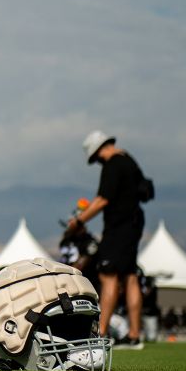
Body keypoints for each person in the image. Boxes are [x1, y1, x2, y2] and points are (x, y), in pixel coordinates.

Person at [66, 130, 149, 349]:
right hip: (134, 223)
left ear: (99, 150)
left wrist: (79, 221)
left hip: (119, 226)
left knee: (108, 275)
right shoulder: (129, 160)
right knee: (130, 276)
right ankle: (134, 335)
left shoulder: (112, 164)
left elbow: (102, 199)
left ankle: (100, 335)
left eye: (95, 159)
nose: (98, 163)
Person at [58, 197, 100, 283]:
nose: (69, 225)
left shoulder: (90, 243)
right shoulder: (66, 240)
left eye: (72, 222)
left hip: (85, 283)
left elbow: (80, 265)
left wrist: (65, 276)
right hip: (68, 280)